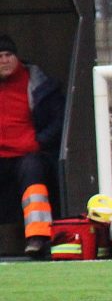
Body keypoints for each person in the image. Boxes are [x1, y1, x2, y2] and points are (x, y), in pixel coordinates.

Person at [0, 34, 65, 259]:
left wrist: (39, 142)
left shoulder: (40, 85)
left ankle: (38, 236)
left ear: (17, 57)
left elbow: (59, 120)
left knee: (33, 174)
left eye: (8, 55)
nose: (4, 60)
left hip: (30, 154)